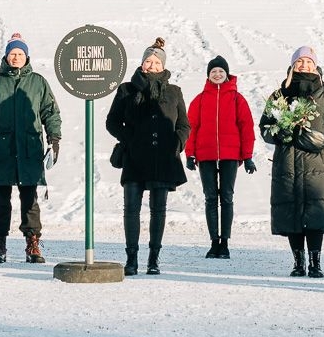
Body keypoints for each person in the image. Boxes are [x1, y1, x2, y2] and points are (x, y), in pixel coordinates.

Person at [259, 46, 324, 279]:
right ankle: (298, 262)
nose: (304, 66)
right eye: (300, 62)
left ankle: (315, 263)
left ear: (315, 66)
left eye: (308, 62)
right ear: (292, 66)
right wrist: (281, 132)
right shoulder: (280, 94)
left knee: (315, 211)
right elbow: (265, 128)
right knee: (291, 213)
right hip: (287, 163)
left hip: (317, 163)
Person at [0, 35, 62, 264]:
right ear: (6, 56)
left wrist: (54, 138)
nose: (16, 57)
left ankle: (32, 244)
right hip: (2, 149)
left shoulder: (38, 82)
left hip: (30, 148)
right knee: (0, 201)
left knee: (30, 200)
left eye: (20, 54)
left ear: (26, 57)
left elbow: (50, 111)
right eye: (13, 53)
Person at [106, 37, 189, 276]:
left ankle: (154, 258)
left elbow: (184, 124)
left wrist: (177, 143)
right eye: (148, 62)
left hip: (164, 158)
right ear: (142, 63)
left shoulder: (174, 91)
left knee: (158, 210)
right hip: (135, 157)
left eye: (156, 63)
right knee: (131, 209)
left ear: (163, 66)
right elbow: (112, 122)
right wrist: (129, 138)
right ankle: (131, 259)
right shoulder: (127, 89)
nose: (152, 66)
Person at [185, 55, 256, 260]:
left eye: (221, 72)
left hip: (230, 155)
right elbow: (192, 128)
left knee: (226, 197)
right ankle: (213, 242)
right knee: (210, 198)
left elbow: (246, 127)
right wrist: (190, 154)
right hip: (205, 154)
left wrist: (248, 156)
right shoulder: (199, 99)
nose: (217, 74)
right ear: (208, 75)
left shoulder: (237, 98)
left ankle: (224, 242)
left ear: (226, 75)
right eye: (213, 72)